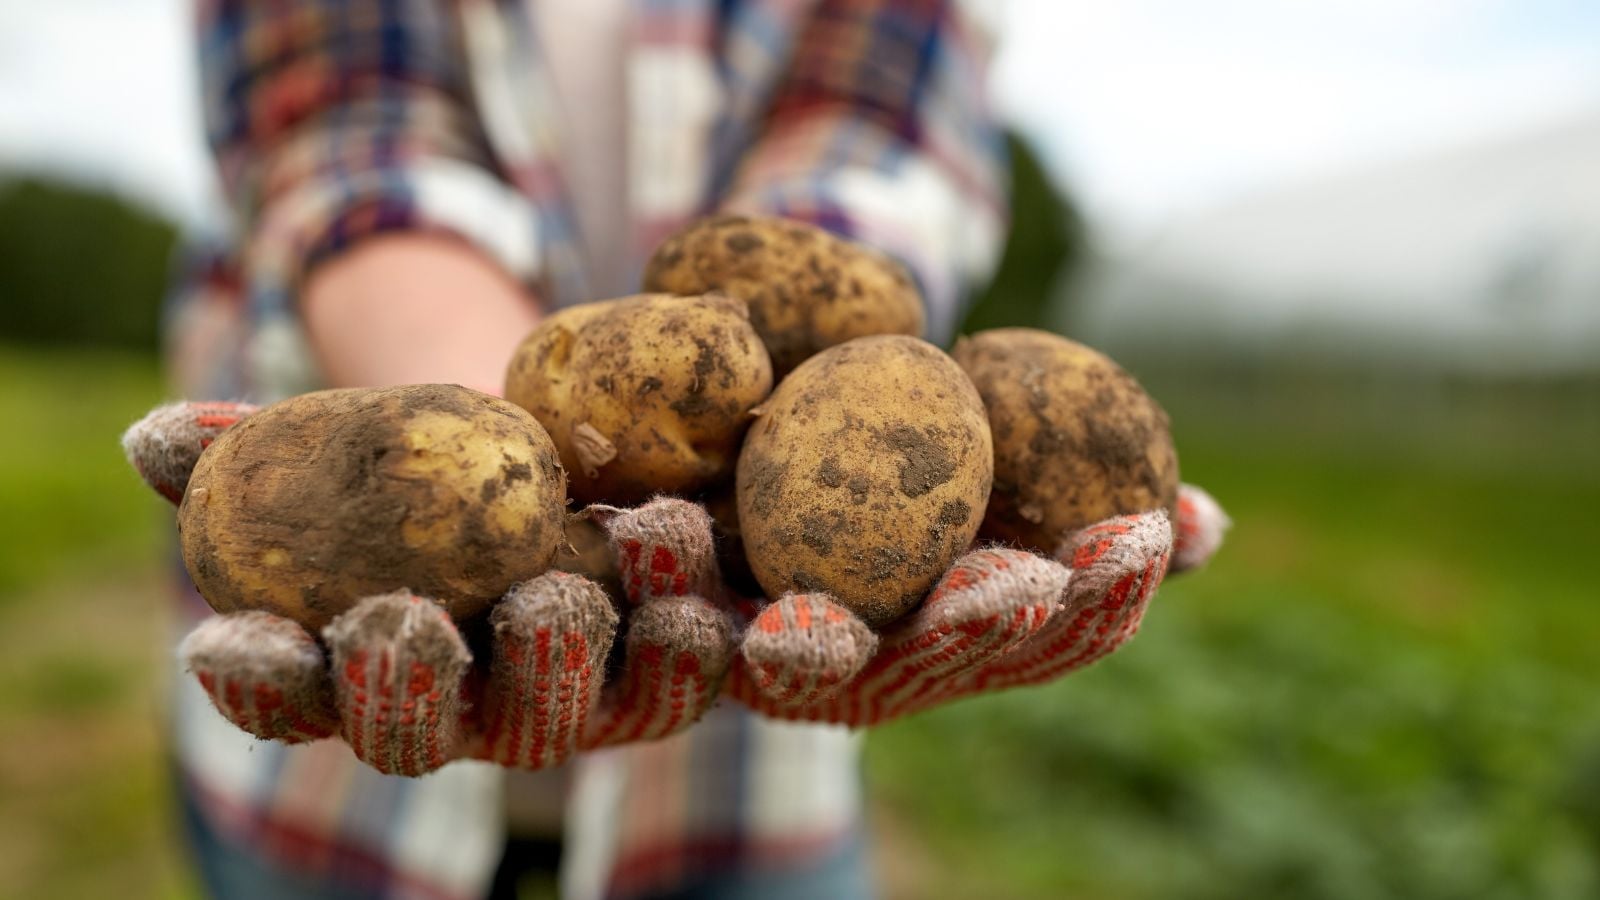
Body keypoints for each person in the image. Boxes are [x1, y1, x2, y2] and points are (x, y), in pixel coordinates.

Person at [169, 1, 1007, 897]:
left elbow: (867, 131)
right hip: (333, 796)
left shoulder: (775, 368)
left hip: (737, 790)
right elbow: (347, 133)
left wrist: (808, 351)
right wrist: (491, 412)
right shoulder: (524, 452)